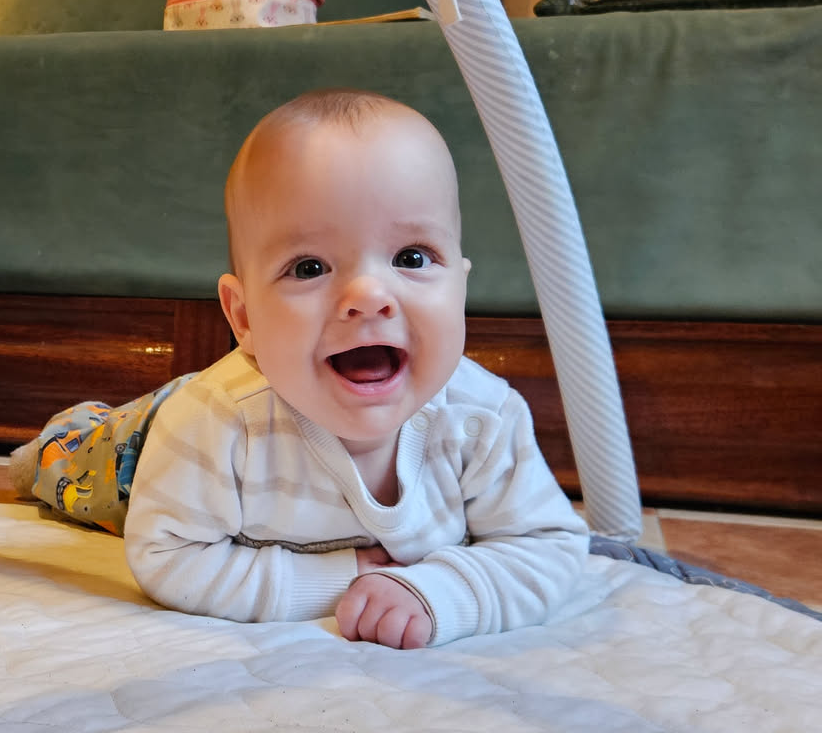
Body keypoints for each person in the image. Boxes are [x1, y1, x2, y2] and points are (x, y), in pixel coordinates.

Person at [119, 89, 587, 648]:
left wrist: (438, 592)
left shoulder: (483, 417)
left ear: (460, 288)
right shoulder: (212, 421)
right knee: (66, 458)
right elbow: (167, 555)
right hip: (127, 450)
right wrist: (343, 579)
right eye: (309, 267)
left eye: (412, 258)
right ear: (243, 317)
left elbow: (547, 546)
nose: (368, 296)